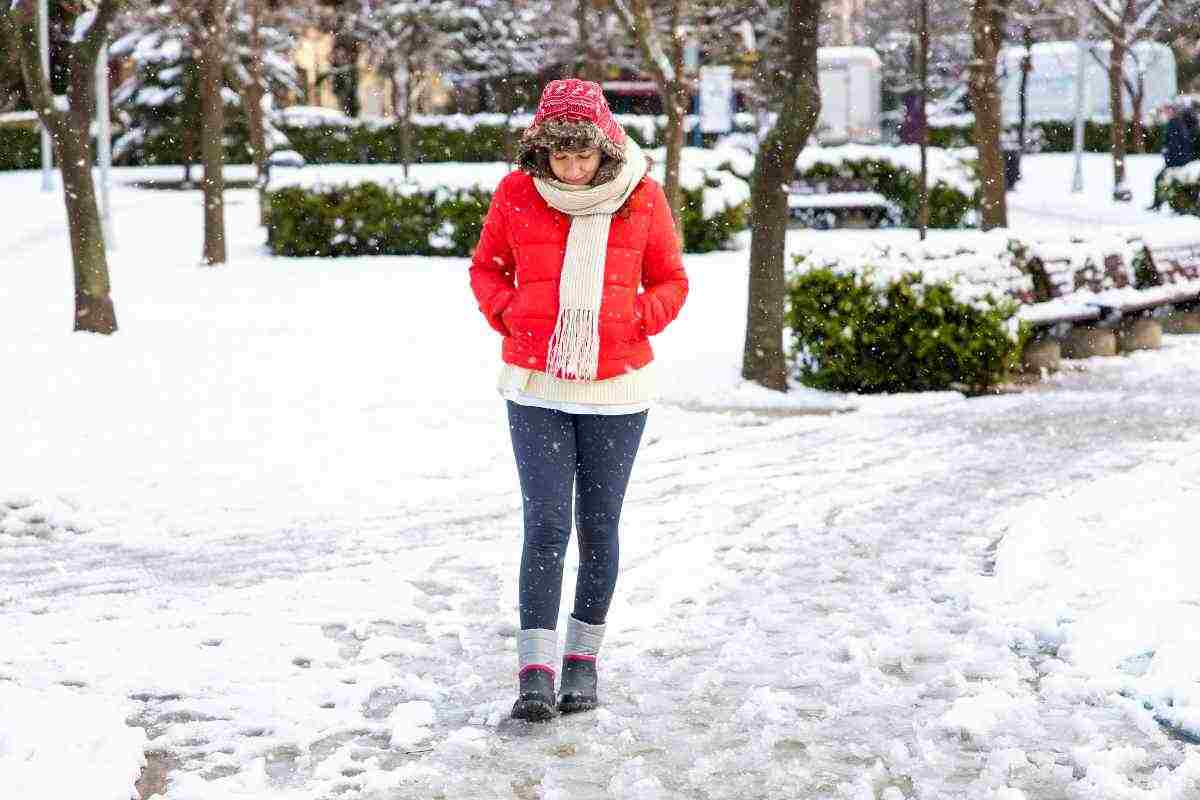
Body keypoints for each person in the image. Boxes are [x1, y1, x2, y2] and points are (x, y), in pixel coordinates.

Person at [468, 79, 688, 722]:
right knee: (545, 527)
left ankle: (582, 663)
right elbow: (486, 269)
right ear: (542, 153)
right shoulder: (516, 194)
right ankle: (534, 669)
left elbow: (672, 279)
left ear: (604, 150)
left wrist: (631, 318)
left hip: (618, 388)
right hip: (536, 385)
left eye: (582, 157)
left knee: (598, 528)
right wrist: (512, 314)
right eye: (558, 158)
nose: (570, 169)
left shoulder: (641, 196)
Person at [1151, 101, 1197, 210]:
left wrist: (1168, 154)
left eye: (1168, 110)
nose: (1165, 112)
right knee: (1164, 180)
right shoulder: (1177, 123)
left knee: (1162, 180)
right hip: (1179, 161)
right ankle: (1160, 204)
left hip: (1177, 162)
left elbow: (1177, 145)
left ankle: (1160, 204)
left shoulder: (1175, 124)